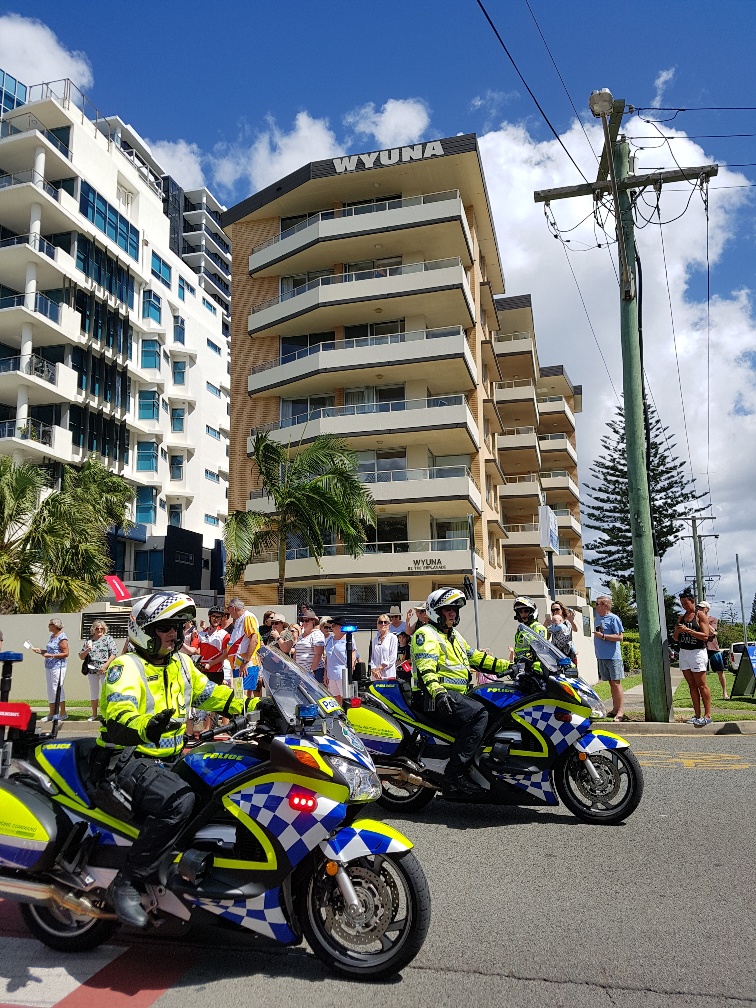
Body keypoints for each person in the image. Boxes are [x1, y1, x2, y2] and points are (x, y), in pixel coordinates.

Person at [95, 591, 245, 928]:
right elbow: (119, 714)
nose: (176, 634)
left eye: (179, 627)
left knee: (223, 785)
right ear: (145, 630)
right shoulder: (126, 667)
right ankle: (128, 882)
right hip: (127, 759)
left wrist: (253, 706)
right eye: (167, 628)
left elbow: (212, 694)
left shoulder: (180, 665)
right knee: (180, 802)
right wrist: (146, 726)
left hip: (169, 758)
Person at [411, 588, 508, 795]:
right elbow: (426, 668)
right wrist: (438, 693)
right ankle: (455, 773)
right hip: (433, 697)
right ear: (435, 611)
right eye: (447, 609)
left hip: (454, 696)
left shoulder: (454, 636)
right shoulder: (426, 634)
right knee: (479, 713)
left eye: (455, 609)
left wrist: (509, 666)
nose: (453, 613)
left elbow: (478, 658)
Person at [672, 588, 712, 726]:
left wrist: (688, 630)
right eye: (682, 604)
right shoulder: (681, 617)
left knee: (701, 685)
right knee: (692, 685)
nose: (684, 606)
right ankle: (697, 714)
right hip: (684, 652)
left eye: (686, 603)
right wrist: (677, 631)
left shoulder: (700, 615)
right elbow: (676, 639)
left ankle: (707, 715)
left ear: (692, 602)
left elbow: (705, 636)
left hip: (697, 652)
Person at [593, 595, 626, 721]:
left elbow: (620, 637)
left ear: (605, 605)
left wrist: (603, 636)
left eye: (597, 604)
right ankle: (615, 708)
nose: (595, 606)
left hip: (613, 657)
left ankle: (621, 711)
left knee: (616, 683)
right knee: (611, 684)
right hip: (601, 656)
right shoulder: (598, 618)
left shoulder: (613, 618)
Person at [79, 620, 118, 721]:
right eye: (97, 628)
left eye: (101, 628)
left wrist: (105, 665)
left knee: (106, 692)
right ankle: (94, 714)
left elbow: (114, 653)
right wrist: (87, 650)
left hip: (104, 669)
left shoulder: (108, 639)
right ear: (93, 629)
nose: (99, 630)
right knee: (94, 691)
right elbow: (81, 656)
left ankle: (107, 714)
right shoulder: (89, 640)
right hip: (92, 669)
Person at [33, 618, 69, 721]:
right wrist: (41, 651)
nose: (48, 626)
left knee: (57, 688)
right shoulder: (52, 636)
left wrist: (51, 655)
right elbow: (49, 650)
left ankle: (63, 712)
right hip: (49, 666)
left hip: (58, 666)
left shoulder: (62, 637)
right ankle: (52, 713)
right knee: (50, 689)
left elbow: (66, 653)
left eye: (50, 624)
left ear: (55, 626)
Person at [226, 598, 260, 699]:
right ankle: (241, 714)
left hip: (245, 666)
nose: (229, 613)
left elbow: (254, 639)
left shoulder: (248, 617)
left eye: (228, 609)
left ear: (233, 608)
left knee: (242, 697)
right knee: (239, 696)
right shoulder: (240, 620)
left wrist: (245, 661)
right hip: (239, 666)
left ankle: (243, 715)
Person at [698, 601, 728, 700]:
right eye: (699, 608)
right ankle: (703, 693)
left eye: (702, 608)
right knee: (701, 672)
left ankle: (724, 693)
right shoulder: (696, 619)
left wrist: (705, 621)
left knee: (720, 671)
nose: (700, 610)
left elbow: (713, 632)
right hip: (701, 648)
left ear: (707, 609)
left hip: (713, 648)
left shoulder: (713, 619)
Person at [324, 619, 359, 701]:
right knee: (334, 697)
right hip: (331, 673)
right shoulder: (330, 639)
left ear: (340, 627)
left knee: (345, 697)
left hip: (342, 673)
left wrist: (350, 669)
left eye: (333, 625)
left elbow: (353, 655)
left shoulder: (348, 638)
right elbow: (328, 657)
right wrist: (325, 673)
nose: (331, 628)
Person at [511, 597, 548, 661]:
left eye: (526, 611)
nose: (523, 614)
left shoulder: (538, 627)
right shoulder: (521, 628)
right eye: (520, 611)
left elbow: (541, 651)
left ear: (532, 612)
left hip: (532, 665)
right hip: (520, 663)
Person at [294, 611, 326, 682]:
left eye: (306, 621)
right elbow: (296, 653)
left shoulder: (317, 634)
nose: (304, 623)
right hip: (302, 672)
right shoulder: (300, 636)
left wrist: (312, 670)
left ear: (313, 622)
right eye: (302, 621)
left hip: (314, 672)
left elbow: (318, 654)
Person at [371, 614, 398, 680]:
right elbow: (372, 657)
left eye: (385, 622)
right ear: (377, 625)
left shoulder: (392, 637)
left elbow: (392, 657)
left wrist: (380, 668)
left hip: (388, 675)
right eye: (380, 622)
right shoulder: (375, 640)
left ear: (389, 625)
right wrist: (374, 670)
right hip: (377, 676)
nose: (383, 624)